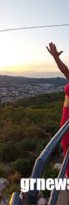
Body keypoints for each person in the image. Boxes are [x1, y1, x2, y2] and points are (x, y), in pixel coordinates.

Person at [47, 42, 69, 177]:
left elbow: (66, 71)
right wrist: (56, 57)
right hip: (66, 118)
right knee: (67, 149)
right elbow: (66, 71)